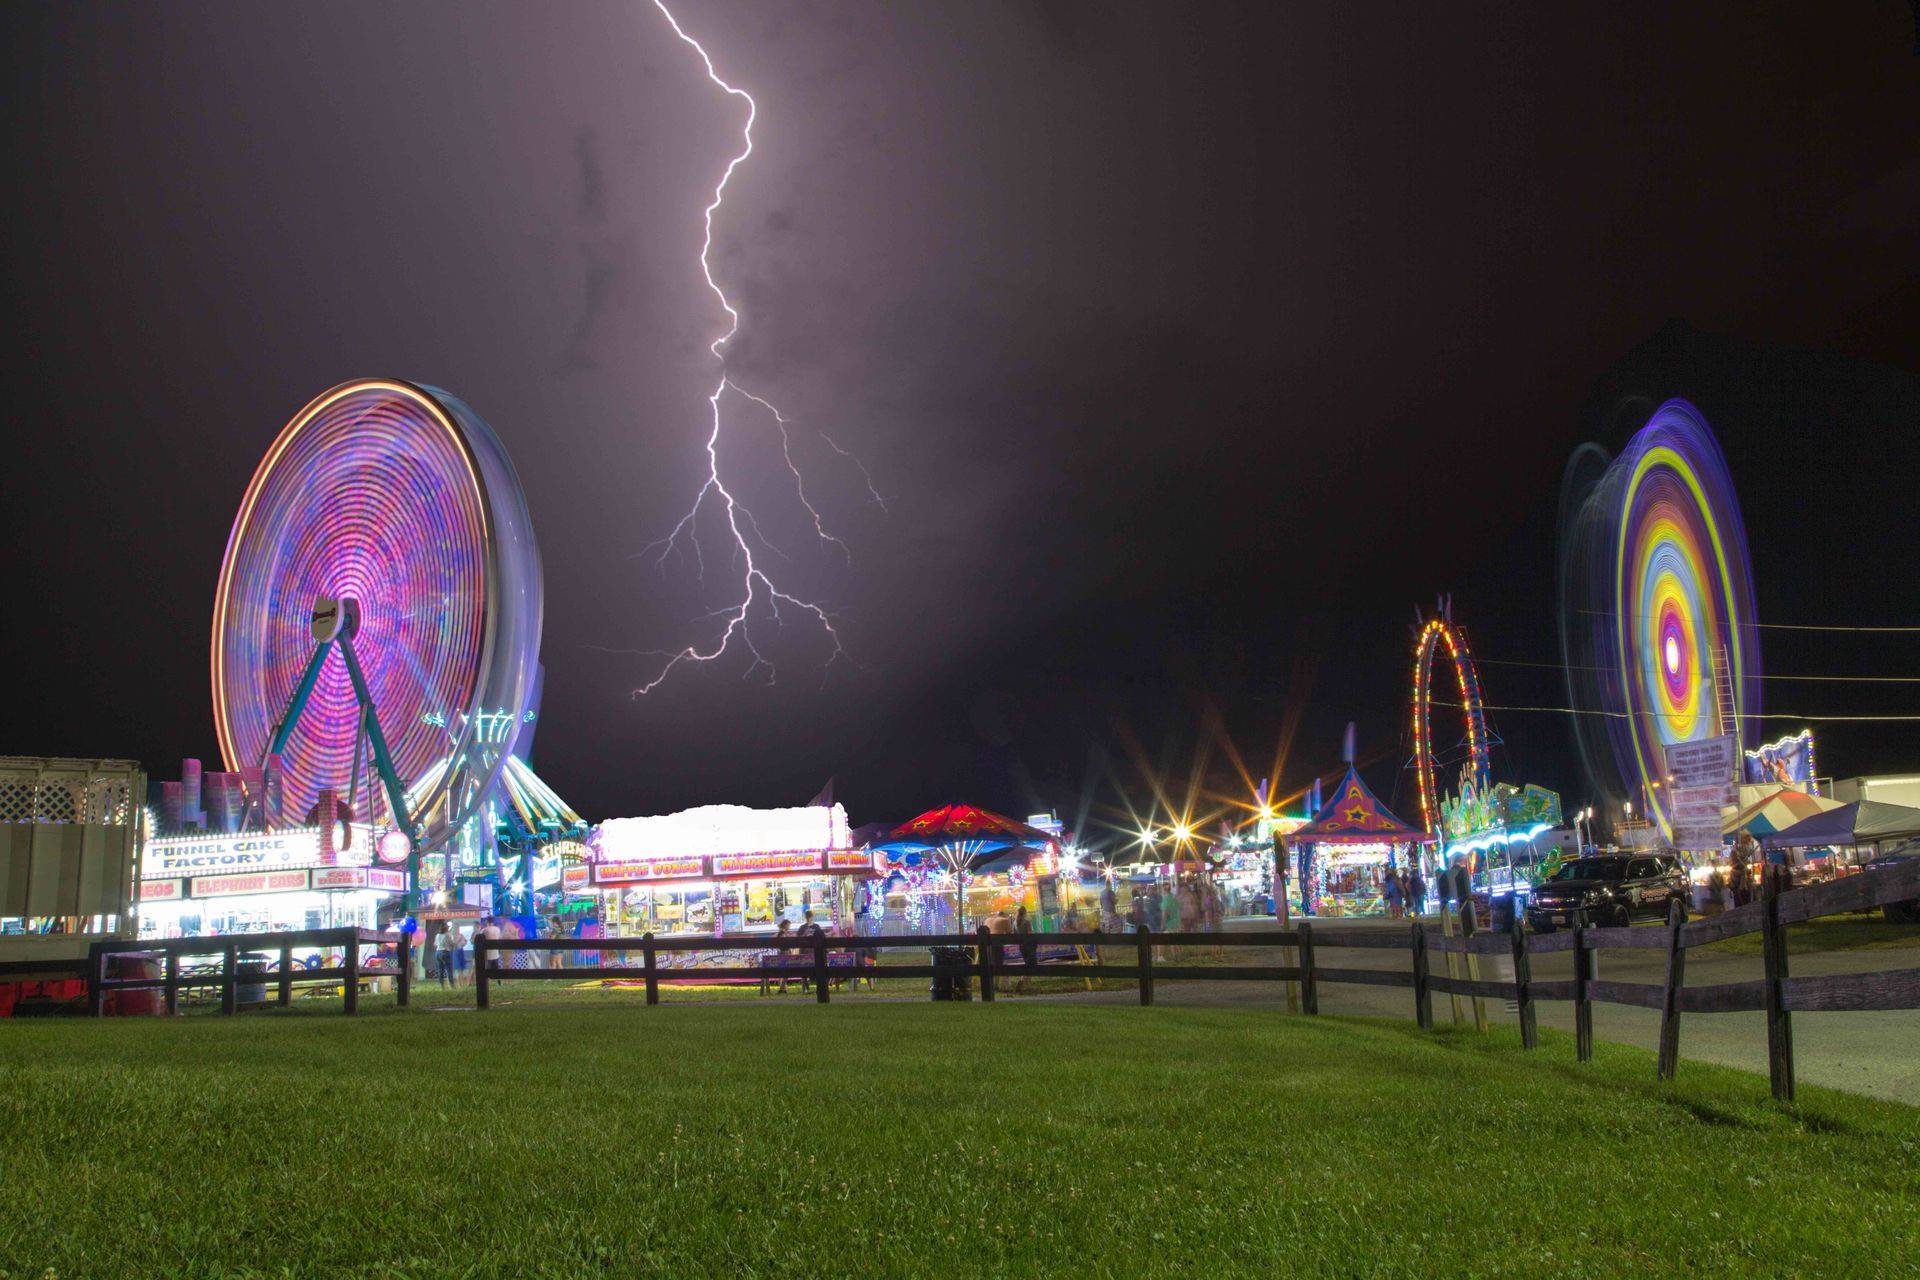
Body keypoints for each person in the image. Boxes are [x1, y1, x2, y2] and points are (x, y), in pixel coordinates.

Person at [432, 924, 456, 988]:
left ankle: (442, 986)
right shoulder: (447, 935)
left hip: (438, 952)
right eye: (448, 928)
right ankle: (452, 986)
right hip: (445, 952)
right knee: (449, 970)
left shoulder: (437, 935)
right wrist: (454, 943)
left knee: (440, 970)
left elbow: (435, 944)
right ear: (446, 928)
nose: (448, 929)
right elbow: (452, 943)